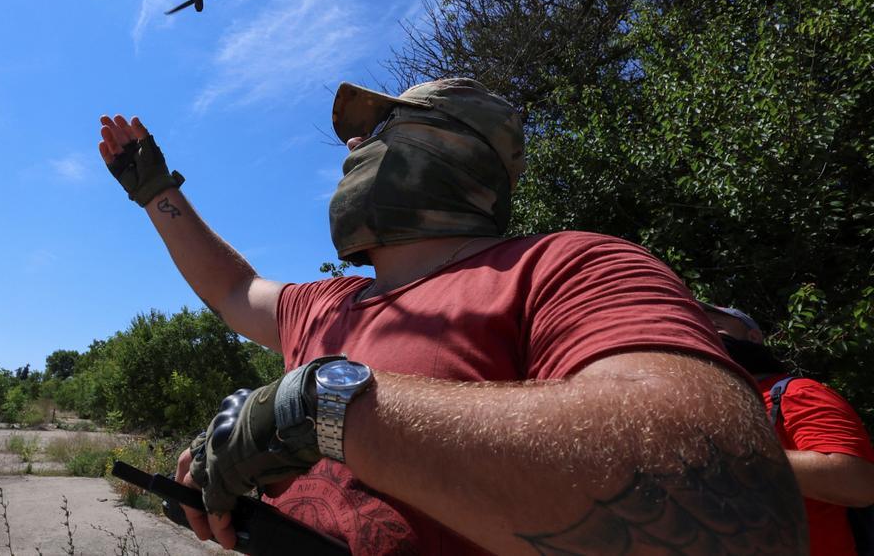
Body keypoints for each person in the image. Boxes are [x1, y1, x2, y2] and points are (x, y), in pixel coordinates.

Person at [98, 77, 806, 555]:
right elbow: (232, 288)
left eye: (376, 126)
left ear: (454, 146)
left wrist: (315, 408)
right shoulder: (328, 300)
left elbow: (733, 492)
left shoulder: (568, 267)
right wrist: (157, 190)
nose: (350, 145)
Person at [704, 303, 874, 556]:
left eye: (716, 326)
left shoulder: (795, 391)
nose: (706, 335)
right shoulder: (713, 407)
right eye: (699, 329)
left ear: (753, 337)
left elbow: (857, 483)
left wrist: (724, 453)